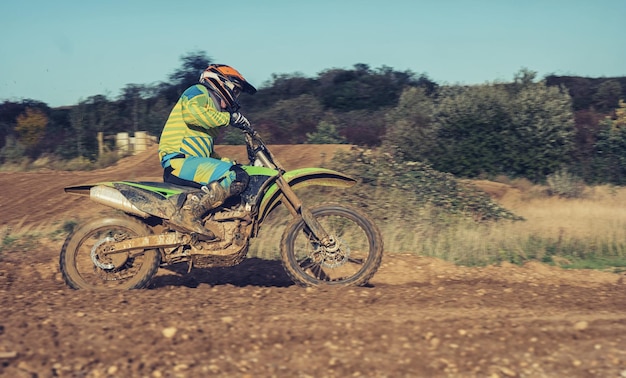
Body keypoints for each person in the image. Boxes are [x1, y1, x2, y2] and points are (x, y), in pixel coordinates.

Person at [158, 64, 257, 235]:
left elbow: (206, 154)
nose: (235, 96)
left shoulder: (209, 116)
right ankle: (189, 215)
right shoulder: (198, 91)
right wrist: (229, 118)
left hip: (189, 162)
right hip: (179, 162)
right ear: (222, 83)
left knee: (236, 171)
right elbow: (192, 112)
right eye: (236, 91)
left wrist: (229, 162)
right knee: (235, 176)